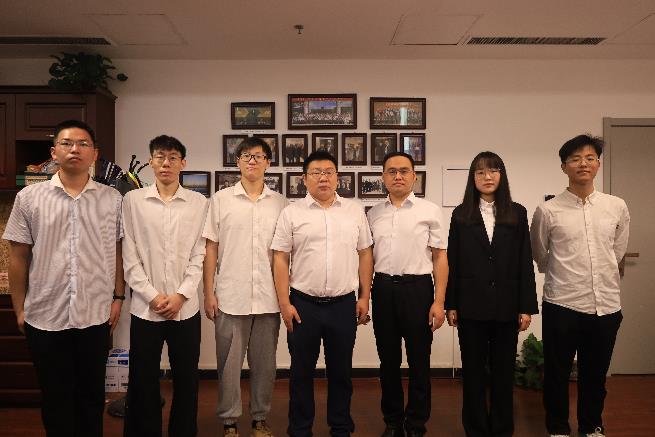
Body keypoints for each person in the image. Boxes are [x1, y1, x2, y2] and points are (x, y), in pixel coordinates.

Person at [3, 119, 124, 437]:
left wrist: (118, 297)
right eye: (67, 143)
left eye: (83, 144)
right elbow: (18, 256)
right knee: (55, 396)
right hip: (45, 314)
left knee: (91, 396)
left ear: (95, 154)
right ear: (54, 152)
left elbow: (118, 251)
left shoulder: (113, 199)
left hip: (94, 314)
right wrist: (19, 308)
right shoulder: (29, 198)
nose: (75, 149)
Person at [531, 135, 629, 437]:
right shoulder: (548, 210)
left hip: (606, 306)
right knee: (557, 373)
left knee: (595, 375)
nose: (583, 163)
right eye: (575, 159)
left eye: (589, 158)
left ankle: (591, 426)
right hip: (562, 303)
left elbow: (617, 251)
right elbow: (541, 255)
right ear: (564, 167)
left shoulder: (616, 206)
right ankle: (558, 428)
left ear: (598, 164)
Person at [271, 151, 373, 437]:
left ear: (337, 177)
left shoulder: (354, 211)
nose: (323, 178)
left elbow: (365, 253)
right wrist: (284, 302)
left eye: (329, 172)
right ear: (304, 179)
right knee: (301, 372)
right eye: (316, 173)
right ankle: (300, 429)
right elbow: (280, 257)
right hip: (303, 304)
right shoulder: (291, 213)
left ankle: (340, 427)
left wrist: (364, 297)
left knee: (341, 372)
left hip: (343, 304)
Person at [445, 151, 538, 437]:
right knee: (473, 374)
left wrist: (526, 306)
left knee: (503, 373)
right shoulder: (461, 214)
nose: (487, 177)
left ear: (502, 175)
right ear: (472, 178)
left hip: (507, 307)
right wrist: (451, 303)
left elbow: (525, 260)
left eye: (493, 170)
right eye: (481, 172)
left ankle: (501, 429)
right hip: (470, 306)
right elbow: (452, 261)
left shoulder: (517, 212)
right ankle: (475, 429)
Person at [122, 135, 208, 437]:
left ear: (183, 163)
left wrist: (181, 295)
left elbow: (200, 253)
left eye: (172, 157)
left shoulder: (199, 203)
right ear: (150, 162)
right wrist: (152, 295)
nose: (166, 163)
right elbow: (129, 254)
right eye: (160, 157)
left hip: (185, 309)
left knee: (187, 379)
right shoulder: (133, 201)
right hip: (145, 308)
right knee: (143, 378)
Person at [202, 137, 288, 437]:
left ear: (268, 163)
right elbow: (211, 248)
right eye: (246, 155)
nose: (252, 160)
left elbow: (285, 253)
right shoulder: (220, 200)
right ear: (237, 161)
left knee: (265, 365)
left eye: (259, 156)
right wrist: (208, 292)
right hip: (230, 296)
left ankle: (259, 418)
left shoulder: (280, 203)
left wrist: (285, 298)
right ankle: (229, 420)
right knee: (228, 364)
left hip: (268, 298)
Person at [367, 151, 449, 437]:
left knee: (419, 360)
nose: (398, 176)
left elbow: (440, 257)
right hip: (383, 289)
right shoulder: (373, 213)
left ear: (414, 176)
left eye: (404, 171)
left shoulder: (429, 211)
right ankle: (392, 421)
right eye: (391, 171)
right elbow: (367, 258)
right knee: (388, 360)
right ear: (383, 177)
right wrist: (364, 294)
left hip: (418, 290)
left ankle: (415, 423)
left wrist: (439, 301)